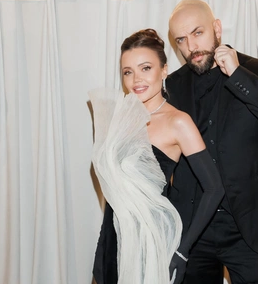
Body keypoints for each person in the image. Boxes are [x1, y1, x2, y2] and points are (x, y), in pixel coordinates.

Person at [166, 0, 258, 284]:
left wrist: (239, 75)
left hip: (250, 225)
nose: (191, 46)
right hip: (193, 228)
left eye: (198, 33)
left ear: (217, 28)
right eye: (181, 40)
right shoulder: (174, 85)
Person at [91, 29, 224, 284]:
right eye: (128, 72)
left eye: (145, 68)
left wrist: (183, 251)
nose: (136, 79)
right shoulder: (120, 118)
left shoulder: (178, 122)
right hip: (113, 238)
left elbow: (214, 188)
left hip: (151, 243)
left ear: (164, 70)